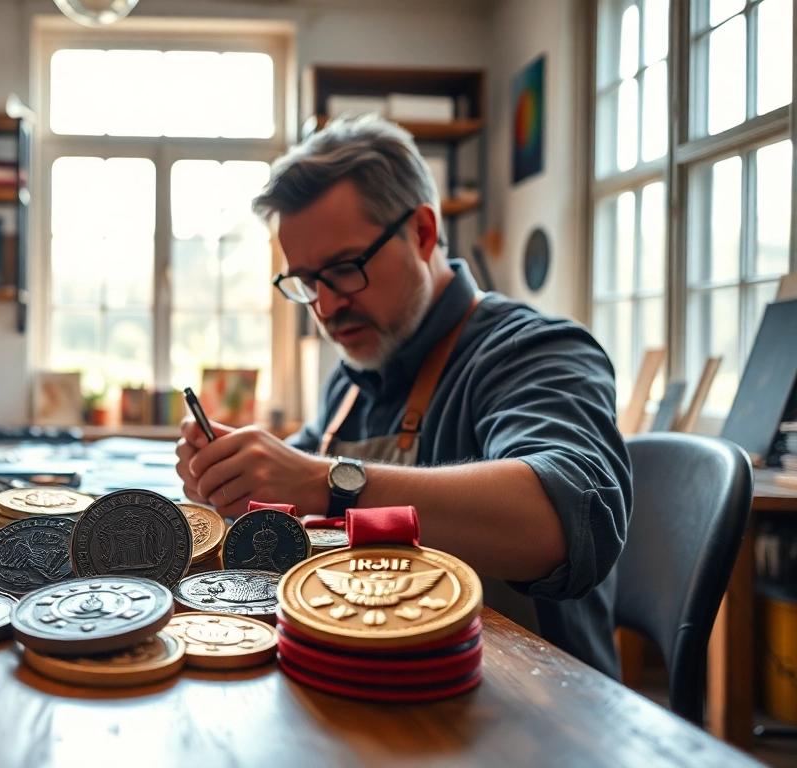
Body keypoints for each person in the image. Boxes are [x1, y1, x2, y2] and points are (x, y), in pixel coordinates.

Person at [174, 115, 631, 677]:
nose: (325, 306)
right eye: (306, 282)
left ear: (422, 232)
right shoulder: (352, 379)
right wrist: (238, 479)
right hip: (384, 683)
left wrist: (324, 481)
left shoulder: (534, 350)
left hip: (536, 713)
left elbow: (568, 520)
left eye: (344, 269)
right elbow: (290, 501)